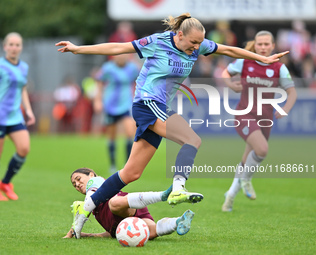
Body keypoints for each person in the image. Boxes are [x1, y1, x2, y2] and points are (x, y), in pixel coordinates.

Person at [56, 13, 289, 237]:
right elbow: (119, 47)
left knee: (131, 173)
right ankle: (178, 186)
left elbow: (227, 49)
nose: (197, 47)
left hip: (156, 107)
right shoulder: (157, 42)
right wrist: (78, 49)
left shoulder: (199, 44)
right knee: (193, 139)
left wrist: (262, 58)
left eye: (200, 43)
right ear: (179, 35)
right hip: (147, 103)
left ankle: (84, 211)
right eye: (193, 42)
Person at [221, 31, 297, 212]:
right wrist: (231, 85)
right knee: (262, 149)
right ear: (254, 45)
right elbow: (225, 72)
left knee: (247, 157)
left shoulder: (279, 68)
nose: (263, 47)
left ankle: (230, 196)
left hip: (265, 119)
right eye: (260, 44)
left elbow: (292, 92)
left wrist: (285, 109)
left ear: (272, 46)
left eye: (266, 44)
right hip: (244, 115)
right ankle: (246, 179)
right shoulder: (244, 61)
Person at [64, 168, 195, 239]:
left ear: (91, 174)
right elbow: (112, 232)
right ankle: (179, 221)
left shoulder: (96, 182)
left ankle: (162, 195)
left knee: (114, 203)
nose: (77, 184)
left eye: (78, 179)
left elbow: (87, 203)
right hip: (127, 219)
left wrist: (72, 231)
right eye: (74, 185)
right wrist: (91, 235)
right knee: (151, 232)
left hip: (126, 206)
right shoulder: (93, 208)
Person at [0, 32, 35, 201]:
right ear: (5, 46)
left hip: (15, 116)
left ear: (21, 47)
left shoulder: (23, 67)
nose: (14, 48)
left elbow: (23, 89)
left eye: (17, 45)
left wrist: (28, 110)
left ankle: (5, 183)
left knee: (24, 148)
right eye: (10, 44)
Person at [94, 54, 139, 173]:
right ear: (114, 57)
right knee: (112, 136)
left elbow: (141, 78)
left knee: (131, 133)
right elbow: (99, 82)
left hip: (127, 104)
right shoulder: (108, 68)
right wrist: (98, 100)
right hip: (110, 105)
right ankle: (113, 164)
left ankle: (127, 165)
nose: (121, 58)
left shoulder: (132, 68)